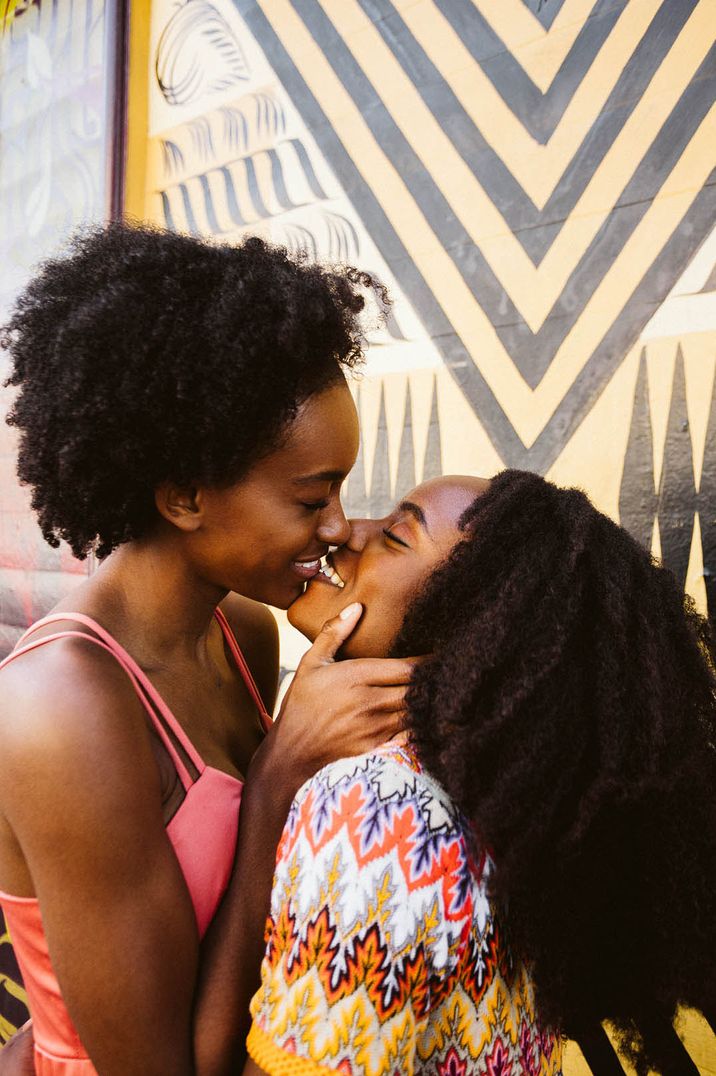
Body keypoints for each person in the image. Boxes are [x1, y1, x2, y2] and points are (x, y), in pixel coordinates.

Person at [0, 222, 414, 1075]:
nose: (338, 527)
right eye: (312, 497)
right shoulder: (62, 712)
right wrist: (277, 778)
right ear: (185, 496)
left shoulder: (246, 633)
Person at [243, 471, 715, 1076]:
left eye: (395, 536)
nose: (346, 532)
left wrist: (272, 779)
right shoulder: (513, 813)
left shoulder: (378, 809)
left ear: (470, 627)